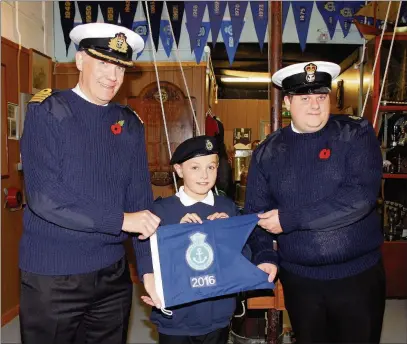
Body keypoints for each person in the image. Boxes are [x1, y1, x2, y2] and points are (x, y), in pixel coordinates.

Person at [19, 23, 161, 344]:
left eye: (121, 67)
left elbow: (142, 206)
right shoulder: (49, 112)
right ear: (80, 60)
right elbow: (44, 198)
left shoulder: (129, 125)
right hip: (53, 275)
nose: (113, 76)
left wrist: (149, 271)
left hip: (113, 276)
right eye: (104, 63)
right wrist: (121, 220)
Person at [244, 61, 386, 344]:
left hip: (357, 277)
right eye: (304, 98)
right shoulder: (267, 152)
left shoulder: (355, 134)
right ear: (287, 102)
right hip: (300, 282)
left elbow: (360, 197)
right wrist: (265, 256)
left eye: (321, 97)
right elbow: (255, 214)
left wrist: (289, 219)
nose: (315, 106)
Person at [137, 135, 278, 344]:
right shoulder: (160, 211)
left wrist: (226, 235)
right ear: (179, 170)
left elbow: (242, 256)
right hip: (177, 317)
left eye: (211, 167)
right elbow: (148, 257)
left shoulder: (227, 207)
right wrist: (177, 236)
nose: (204, 175)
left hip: (217, 315)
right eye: (195, 168)